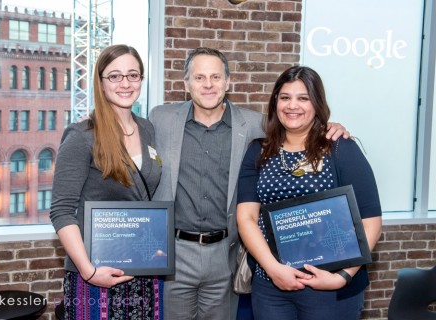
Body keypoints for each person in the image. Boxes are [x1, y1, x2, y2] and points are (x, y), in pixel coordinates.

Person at [149, 47, 350, 320]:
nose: (208, 85)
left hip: (226, 252)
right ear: (186, 84)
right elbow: (127, 133)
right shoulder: (160, 119)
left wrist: (331, 128)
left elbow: (296, 130)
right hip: (174, 251)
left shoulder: (256, 125)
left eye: (216, 77)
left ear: (228, 82)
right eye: (199, 78)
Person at [236, 65, 382, 320]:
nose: (293, 106)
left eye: (303, 98)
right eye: (285, 97)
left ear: (317, 103)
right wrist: (273, 269)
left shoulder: (340, 149)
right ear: (275, 103)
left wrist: (341, 277)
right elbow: (246, 218)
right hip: (271, 286)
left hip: (329, 285)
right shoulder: (258, 151)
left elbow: (371, 223)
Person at [50, 44, 162, 319]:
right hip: (96, 274)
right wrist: (89, 271)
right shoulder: (81, 135)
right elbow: (62, 211)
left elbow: (146, 199)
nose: (125, 83)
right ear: (100, 83)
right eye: (115, 76)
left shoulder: (147, 129)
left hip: (143, 269)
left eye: (133, 75)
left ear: (141, 80)